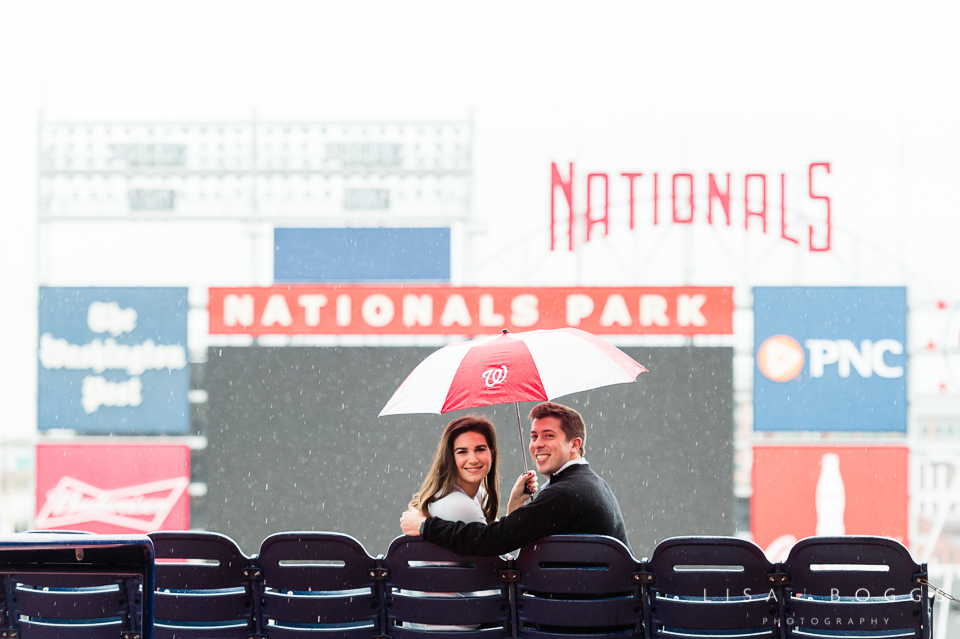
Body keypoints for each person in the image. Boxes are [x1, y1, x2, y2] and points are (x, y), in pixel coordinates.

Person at [400, 402, 629, 556]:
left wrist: (424, 526)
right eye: (534, 436)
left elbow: (491, 541)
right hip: (597, 612)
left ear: (575, 445)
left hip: (578, 620)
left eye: (549, 436)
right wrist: (515, 509)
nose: (537, 444)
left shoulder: (563, 494)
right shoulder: (589, 483)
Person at [402, 415, 536, 631]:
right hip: (454, 623)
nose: (473, 459)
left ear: (492, 453)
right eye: (462, 452)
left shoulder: (464, 495)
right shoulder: (459, 505)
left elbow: (491, 545)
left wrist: (515, 506)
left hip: (427, 620)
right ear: (450, 458)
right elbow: (503, 569)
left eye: (480, 449)